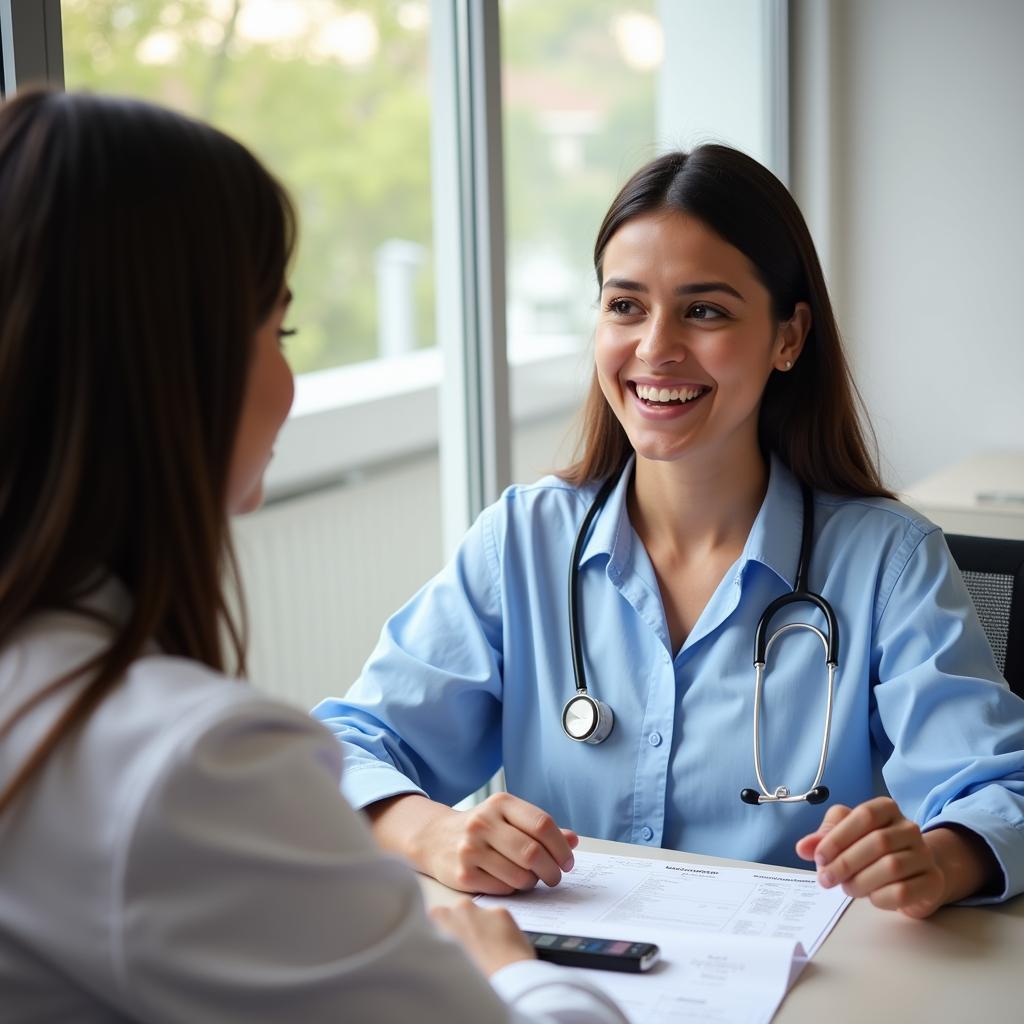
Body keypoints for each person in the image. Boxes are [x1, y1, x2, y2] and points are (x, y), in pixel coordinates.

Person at [0, 89, 628, 1024]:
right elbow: (364, 737)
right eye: (278, 329)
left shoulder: (879, 554)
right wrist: (507, 966)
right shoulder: (187, 763)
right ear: (184, 362)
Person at [315, 144, 1024, 918]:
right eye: (626, 306)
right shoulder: (522, 543)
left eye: (705, 310)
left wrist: (936, 859)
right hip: (569, 982)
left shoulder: (887, 564)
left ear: (788, 338)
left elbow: (1000, 789)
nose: (655, 348)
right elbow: (345, 748)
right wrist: (430, 833)